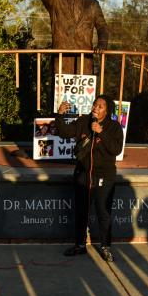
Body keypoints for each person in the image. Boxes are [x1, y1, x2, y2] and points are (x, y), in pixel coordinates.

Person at [54, 94, 123, 261]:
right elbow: (64, 132)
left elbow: (116, 149)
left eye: (100, 106)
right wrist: (60, 115)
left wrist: (101, 133)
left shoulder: (114, 127)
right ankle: (80, 245)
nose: (95, 108)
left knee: (103, 212)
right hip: (83, 174)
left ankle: (105, 246)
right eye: (94, 105)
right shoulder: (84, 121)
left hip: (104, 176)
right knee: (81, 211)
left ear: (107, 111)